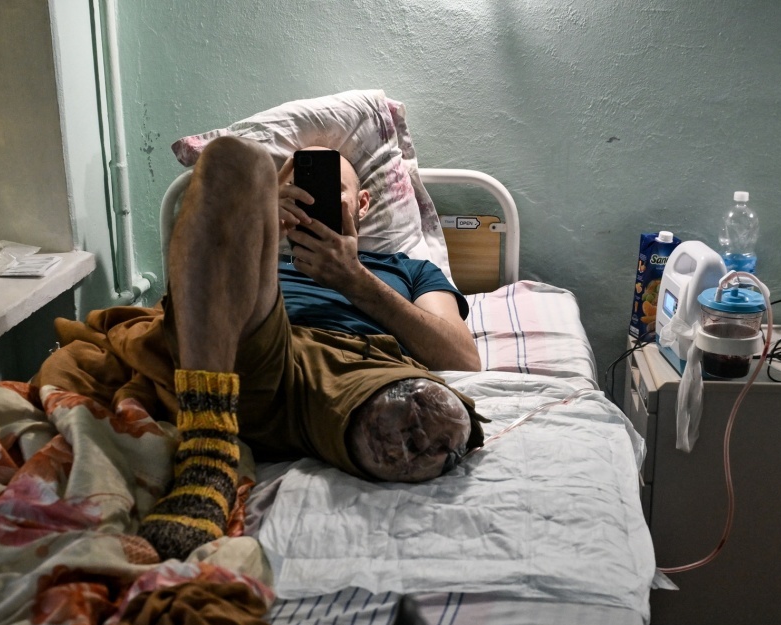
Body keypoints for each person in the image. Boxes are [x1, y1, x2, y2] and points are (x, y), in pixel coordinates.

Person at [36, 136, 486, 560]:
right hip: (247, 348)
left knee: (432, 421)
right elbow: (191, 310)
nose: (311, 199)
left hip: (354, 368)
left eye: (330, 189)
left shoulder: (408, 269)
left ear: (364, 204)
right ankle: (208, 448)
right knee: (234, 156)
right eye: (296, 188)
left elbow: (461, 358)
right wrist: (260, 226)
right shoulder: (247, 259)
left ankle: (277, 434)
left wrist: (352, 278)